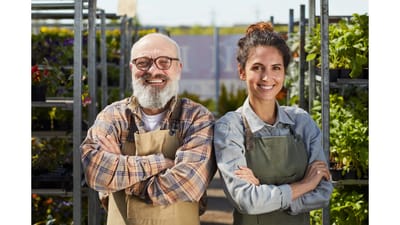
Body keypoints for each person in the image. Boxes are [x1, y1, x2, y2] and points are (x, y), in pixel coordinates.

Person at [80, 33, 216, 225]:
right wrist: (161, 163)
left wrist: (122, 177)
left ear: (178, 68)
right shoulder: (113, 115)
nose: (153, 70)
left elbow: (187, 184)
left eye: (164, 62)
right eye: (143, 62)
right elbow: (96, 172)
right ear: (131, 68)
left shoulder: (196, 117)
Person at [213, 22, 333, 225]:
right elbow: (246, 201)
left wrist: (264, 192)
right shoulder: (230, 127)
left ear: (284, 72)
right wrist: (305, 184)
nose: (267, 77)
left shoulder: (301, 122)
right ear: (242, 72)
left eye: (276, 68)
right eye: (257, 68)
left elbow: (323, 192)